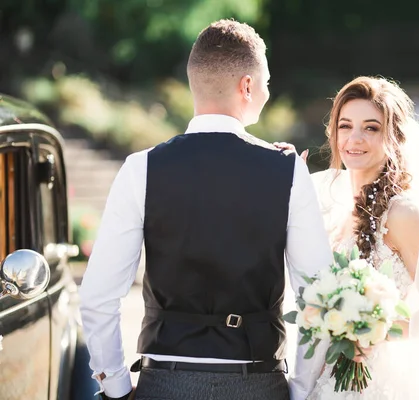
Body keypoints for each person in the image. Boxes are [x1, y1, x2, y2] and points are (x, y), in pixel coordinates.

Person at [78, 19, 332, 400]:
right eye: (265, 81)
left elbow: (97, 295)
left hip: (164, 383)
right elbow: (317, 294)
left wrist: (114, 387)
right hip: (257, 381)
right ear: (247, 85)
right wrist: (298, 389)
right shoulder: (287, 169)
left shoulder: (140, 168)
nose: (266, 91)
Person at [276, 76, 419, 399]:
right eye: (345, 126)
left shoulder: (402, 214)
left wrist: (371, 329)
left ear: (393, 136)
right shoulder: (324, 197)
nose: (355, 138)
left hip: (380, 381)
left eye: (371, 128)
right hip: (323, 375)